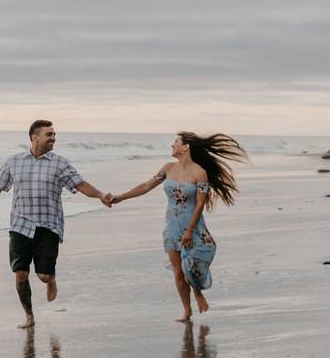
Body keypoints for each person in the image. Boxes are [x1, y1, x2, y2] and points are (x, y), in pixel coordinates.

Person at [0, 119, 109, 329]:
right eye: (49, 134)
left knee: (42, 274)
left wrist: (100, 194)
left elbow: (79, 184)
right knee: (21, 274)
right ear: (34, 137)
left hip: (48, 225)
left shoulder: (60, 163)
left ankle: (51, 280)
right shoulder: (13, 162)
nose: (53, 138)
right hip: (20, 225)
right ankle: (29, 316)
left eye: (54, 135)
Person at [104, 132, 247, 322]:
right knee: (179, 271)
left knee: (193, 264)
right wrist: (120, 197)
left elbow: (199, 205)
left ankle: (198, 292)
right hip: (172, 226)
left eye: (176, 142)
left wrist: (189, 231)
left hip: (193, 226)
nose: (172, 145)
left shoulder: (199, 173)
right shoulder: (168, 168)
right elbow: (146, 185)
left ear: (185, 147)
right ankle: (187, 311)